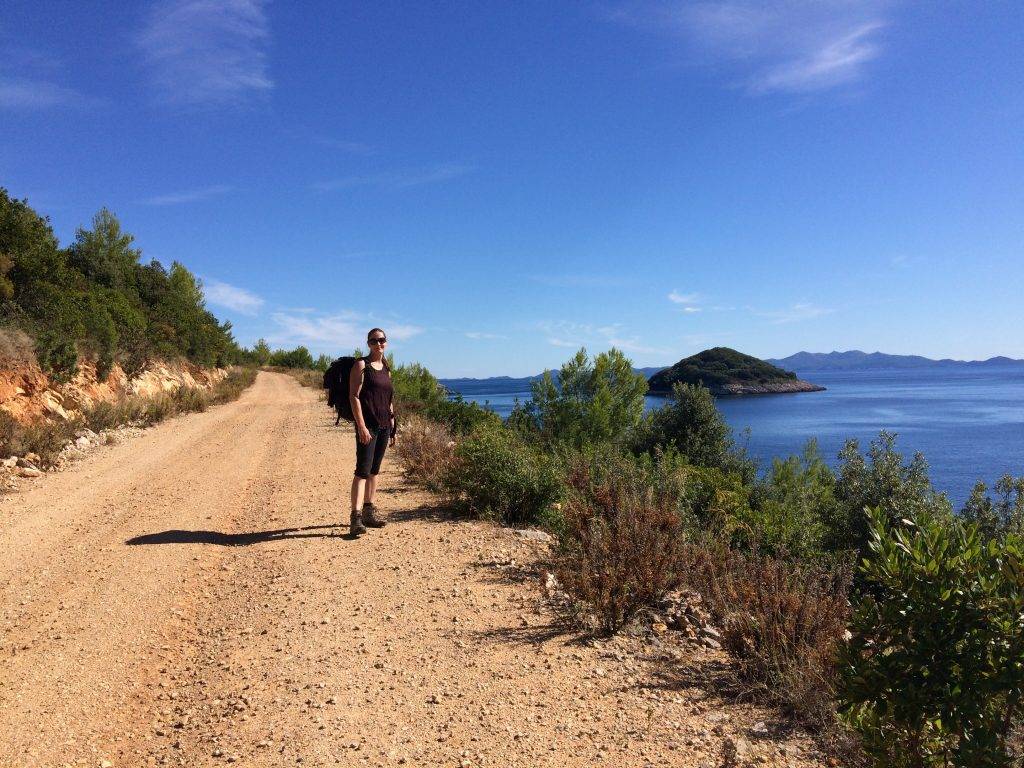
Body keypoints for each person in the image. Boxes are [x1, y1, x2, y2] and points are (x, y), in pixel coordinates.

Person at [348, 328, 396, 536]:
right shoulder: (361, 365)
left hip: (385, 425)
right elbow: (354, 396)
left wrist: (394, 425)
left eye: (382, 340)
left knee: (374, 470)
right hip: (368, 425)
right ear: (368, 343)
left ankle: (369, 511)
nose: (379, 343)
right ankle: (355, 517)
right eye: (374, 340)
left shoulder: (386, 368)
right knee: (362, 471)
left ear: (386, 342)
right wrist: (361, 426)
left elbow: (389, 399)